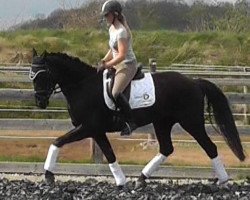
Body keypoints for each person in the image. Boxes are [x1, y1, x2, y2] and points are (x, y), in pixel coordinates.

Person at [100, 0, 138, 136]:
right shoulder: (112, 29)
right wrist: (104, 60)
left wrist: (107, 65)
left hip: (127, 65)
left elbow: (121, 55)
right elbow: (113, 50)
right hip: (116, 63)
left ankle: (130, 121)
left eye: (107, 15)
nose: (105, 18)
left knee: (116, 92)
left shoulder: (121, 32)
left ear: (115, 14)